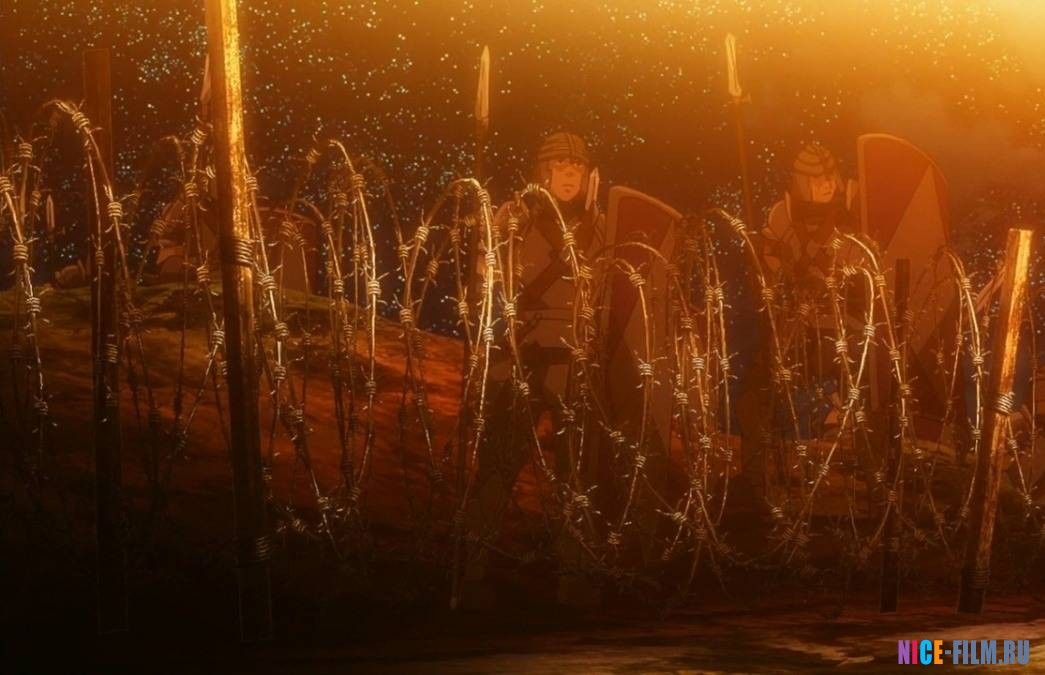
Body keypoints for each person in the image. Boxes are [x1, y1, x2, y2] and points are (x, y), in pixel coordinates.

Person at [460, 131, 603, 608]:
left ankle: (574, 576)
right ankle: (471, 571)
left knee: (574, 471)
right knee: (499, 464)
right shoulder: (513, 217)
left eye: (578, 168)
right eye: (561, 166)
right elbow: (485, 283)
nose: (570, 176)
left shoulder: (600, 225)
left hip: (572, 358)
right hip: (519, 352)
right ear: (544, 171)